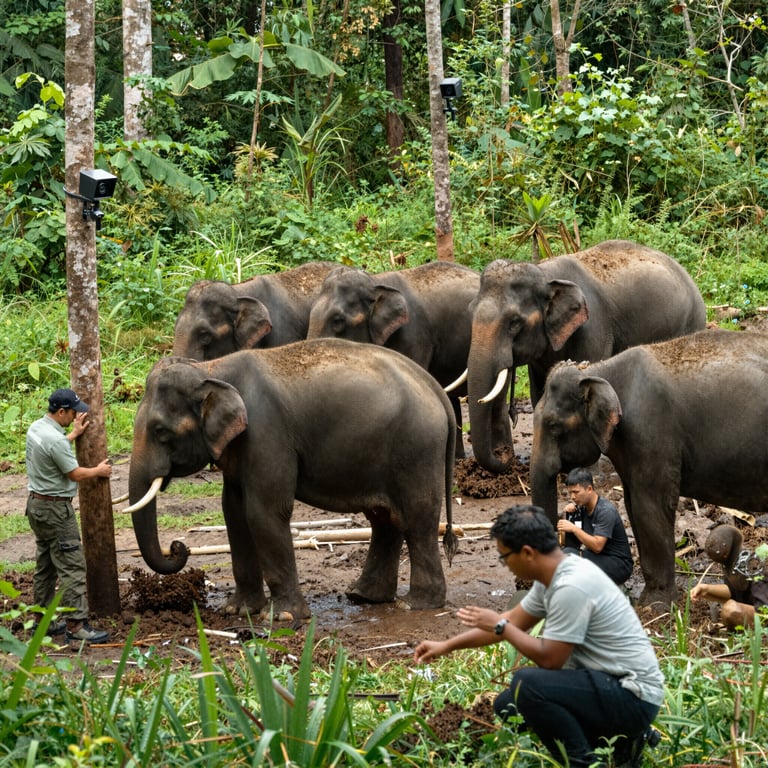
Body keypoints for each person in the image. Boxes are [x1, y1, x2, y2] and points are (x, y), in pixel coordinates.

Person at [413, 505, 664, 768]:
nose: (505, 566)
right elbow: (513, 620)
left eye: (504, 557)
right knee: (508, 705)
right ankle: (617, 743)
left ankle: (584, 762)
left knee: (528, 684)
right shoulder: (553, 576)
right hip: (605, 685)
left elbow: (550, 659)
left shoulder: (571, 586)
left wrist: (501, 626)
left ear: (527, 553)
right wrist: (446, 646)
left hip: (633, 696)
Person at [25, 388, 112, 644]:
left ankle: (41, 621)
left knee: (46, 566)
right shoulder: (56, 441)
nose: (76, 415)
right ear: (61, 411)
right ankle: (76, 626)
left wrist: (72, 434)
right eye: (73, 412)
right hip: (56, 511)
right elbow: (74, 474)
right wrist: (98, 470)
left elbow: (53, 450)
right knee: (72, 565)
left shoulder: (36, 428)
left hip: (36, 506)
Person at [557, 467, 634, 585]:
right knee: (566, 554)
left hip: (618, 564)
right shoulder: (581, 507)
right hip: (598, 556)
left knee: (573, 562)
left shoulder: (605, 511)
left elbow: (597, 546)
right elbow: (573, 545)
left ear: (589, 489)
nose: (572, 497)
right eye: (570, 493)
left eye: (576, 492)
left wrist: (574, 528)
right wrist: (571, 517)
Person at [690, 524, 768, 630]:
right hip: (759, 609)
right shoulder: (737, 568)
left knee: (730, 610)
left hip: (764, 611)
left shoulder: (756, 567)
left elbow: (764, 612)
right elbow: (734, 592)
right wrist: (706, 590)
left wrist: (733, 612)